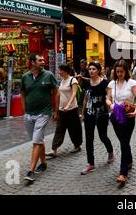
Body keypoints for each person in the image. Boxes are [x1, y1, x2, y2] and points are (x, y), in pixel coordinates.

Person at [20, 54, 59, 182]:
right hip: (29, 114)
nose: (43, 62)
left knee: (36, 141)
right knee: (38, 139)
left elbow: (56, 92)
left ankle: (31, 170)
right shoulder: (25, 77)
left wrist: (55, 110)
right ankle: (43, 163)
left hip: (44, 113)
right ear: (32, 62)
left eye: (43, 60)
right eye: (40, 60)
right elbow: (22, 93)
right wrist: (24, 111)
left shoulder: (48, 75)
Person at [106, 60, 136, 184]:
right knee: (124, 142)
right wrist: (111, 105)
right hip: (115, 116)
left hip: (128, 116)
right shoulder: (112, 83)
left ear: (126, 71)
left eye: (122, 71)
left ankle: (123, 173)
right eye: (117, 72)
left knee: (124, 143)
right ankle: (129, 160)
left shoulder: (132, 83)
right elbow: (108, 98)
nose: (120, 74)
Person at [81, 62, 114, 175]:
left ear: (99, 70)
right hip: (89, 114)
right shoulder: (86, 83)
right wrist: (83, 113)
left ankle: (110, 152)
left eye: (93, 69)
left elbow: (109, 98)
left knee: (103, 136)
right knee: (89, 138)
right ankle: (91, 164)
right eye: (89, 69)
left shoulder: (105, 83)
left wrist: (111, 110)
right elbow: (86, 98)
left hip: (101, 114)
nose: (91, 71)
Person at [46, 64, 83, 158]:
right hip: (62, 110)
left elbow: (74, 93)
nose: (59, 72)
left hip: (72, 109)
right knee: (59, 129)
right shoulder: (62, 81)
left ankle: (77, 145)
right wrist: (56, 110)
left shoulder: (72, 80)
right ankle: (54, 149)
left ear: (65, 71)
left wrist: (68, 105)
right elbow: (58, 95)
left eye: (60, 70)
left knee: (74, 129)